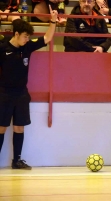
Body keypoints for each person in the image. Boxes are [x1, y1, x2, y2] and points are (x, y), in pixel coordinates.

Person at [0, 6, 57, 170]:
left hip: (21, 94)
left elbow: (47, 38)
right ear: (16, 34)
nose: (27, 39)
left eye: (28, 37)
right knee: (2, 127)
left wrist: (53, 20)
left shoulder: (27, 47)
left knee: (19, 126)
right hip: (4, 93)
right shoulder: (3, 48)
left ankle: (16, 160)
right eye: (25, 36)